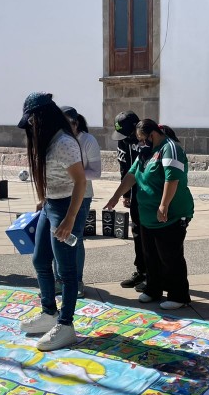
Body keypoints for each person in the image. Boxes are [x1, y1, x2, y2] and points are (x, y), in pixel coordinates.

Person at [17, 92, 87, 351]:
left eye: (32, 121)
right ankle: (49, 313)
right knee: (39, 259)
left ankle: (66, 325)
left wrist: (69, 219)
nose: (31, 128)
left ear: (43, 117)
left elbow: (81, 181)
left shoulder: (64, 143)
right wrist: (42, 198)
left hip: (67, 206)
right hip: (51, 204)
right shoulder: (47, 141)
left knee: (66, 271)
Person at [104, 119, 194, 310]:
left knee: (170, 256)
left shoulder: (170, 148)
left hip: (171, 215)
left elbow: (172, 178)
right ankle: (153, 289)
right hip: (147, 217)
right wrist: (115, 197)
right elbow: (131, 175)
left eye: (142, 139)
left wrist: (163, 205)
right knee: (150, 256)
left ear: (152, 135)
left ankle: (178, 295)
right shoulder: (145, 152)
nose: (140, 143)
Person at [58, 106, 102, 299]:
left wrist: (75, 176)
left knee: (74, 237)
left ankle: (77, 280)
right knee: (57, 237)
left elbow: (96, 172)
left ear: (77, 123)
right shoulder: (57, 140)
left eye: (71, 125)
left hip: (82, 195)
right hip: (58, 195)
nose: (67, 129)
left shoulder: (88, 140)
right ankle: (59, 279)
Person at [111, 111, 149, 291]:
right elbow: (124, 166)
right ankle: (141, 271)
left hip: (150, 196)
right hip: (134, 195)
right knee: (137, 233)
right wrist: (125, 194)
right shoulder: (123, 140)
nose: (125, 138)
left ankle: (154, 274)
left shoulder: (148, 137)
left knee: (150, 234)